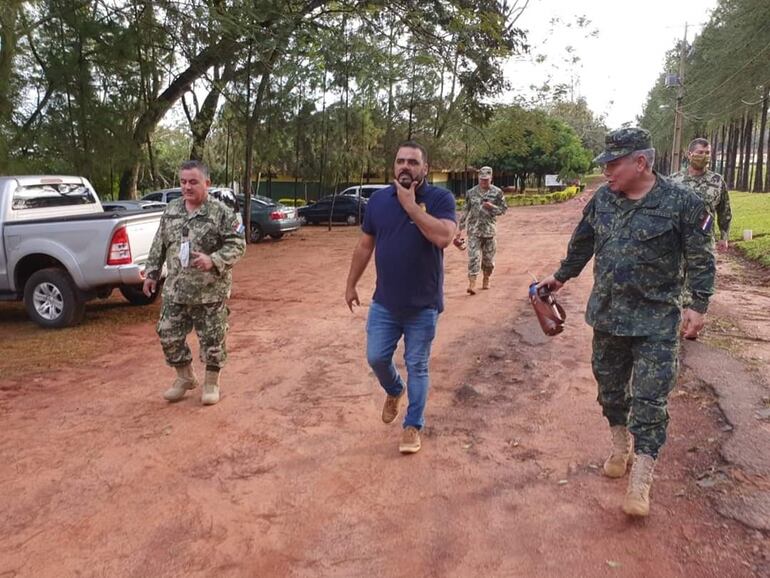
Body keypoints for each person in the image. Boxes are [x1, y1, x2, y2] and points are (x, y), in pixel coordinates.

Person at [538, 128, 715, 517]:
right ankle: (621, 445)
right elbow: (582, 242)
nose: (606, 172)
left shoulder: (683, 203)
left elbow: (702, 257)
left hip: (656, 321)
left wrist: (698, 305)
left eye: (613, 164)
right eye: (604, 164)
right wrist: (562, 275)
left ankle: (642, 478)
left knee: (651, 400)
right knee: (611, 392)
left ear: (641, 162)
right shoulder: (602, 200)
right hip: (608, 317)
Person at [345, 141, 457, 454]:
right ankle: (394, 389)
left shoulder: (439, 198)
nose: (405, 167)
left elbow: (444, 237)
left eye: (412, 162)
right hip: (385, 303)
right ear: (394, 167)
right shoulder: (379, 201)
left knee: (417, 365)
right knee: (376, 357)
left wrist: (410, 206)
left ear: (425, 169)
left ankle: (412, 426)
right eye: (400, 161)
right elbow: (365, 246)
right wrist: (350, 283)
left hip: (423, 305)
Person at [143, 160, 246, 406]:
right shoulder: (172, 209)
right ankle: (185, 377)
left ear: (206, 183)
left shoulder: (221, 212)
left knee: (212, 339)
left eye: (193, 182)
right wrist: (151, 273)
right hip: (175, 289)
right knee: (168, 334)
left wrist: (214, 259)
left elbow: (238, 244)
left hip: (209, 291)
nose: (187, 187)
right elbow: (160, 243)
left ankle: (211, 382)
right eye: (183, 182)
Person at [670, 138, 732, 252]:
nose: (704, 156)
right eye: (700, 152)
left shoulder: (717, 181)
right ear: (690, 154)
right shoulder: (674, 180)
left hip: (705, 245)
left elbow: (724, 211)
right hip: (677, 245)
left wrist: (724, 237)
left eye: (707, 153)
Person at [455, 166, 508, 294]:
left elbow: (503, 209)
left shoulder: (497, 192)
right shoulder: (471, 192)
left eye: (486, 179)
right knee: (474, 257)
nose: (484, 182)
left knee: (488, 261)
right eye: (481, 179)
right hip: (474, 231)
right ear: (478, 178)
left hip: (489, 232)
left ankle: (486, 277)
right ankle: (472, 283)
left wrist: (492, 207)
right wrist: (460, 228)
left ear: (491, 178)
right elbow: (466, 210)